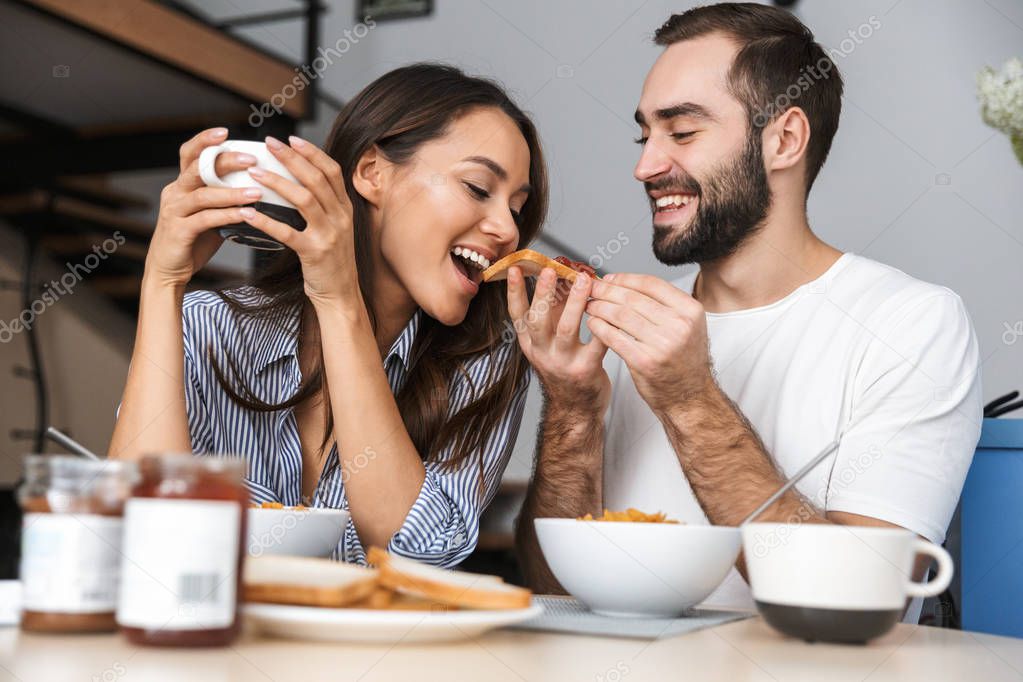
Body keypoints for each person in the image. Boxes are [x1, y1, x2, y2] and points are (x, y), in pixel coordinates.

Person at [511, 3, 982, 612]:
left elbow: (861, 601)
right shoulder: (628, 332)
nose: (645, 166)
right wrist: (573, 409)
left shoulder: (912, 325)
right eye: (644, 134)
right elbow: (554, 593)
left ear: (783, 139)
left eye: (681, 132)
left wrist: (689, 400)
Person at [109, 63, 548, 567]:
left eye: (516, 207)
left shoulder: (487, 361)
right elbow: (137, 531)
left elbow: (419, 553)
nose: (508, 230)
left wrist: (339, 303)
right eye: (477, 187)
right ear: (371, 173)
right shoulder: (210, 329)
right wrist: (162, 283)